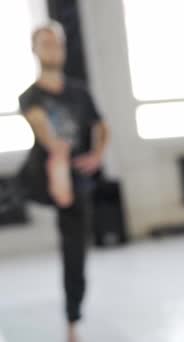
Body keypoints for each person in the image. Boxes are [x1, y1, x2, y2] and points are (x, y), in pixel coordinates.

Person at [18, 22, 109, 342]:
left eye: (56, 43)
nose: (52, 48)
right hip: (39, 178)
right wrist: (58, 165)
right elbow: (45, 132)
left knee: (75, 251)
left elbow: (101, 127)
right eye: (45, 43)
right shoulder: (30, 96)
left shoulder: (80, 92)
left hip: (77, 178)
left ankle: (73, 320)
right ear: (35, 49)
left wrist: (97, 154)